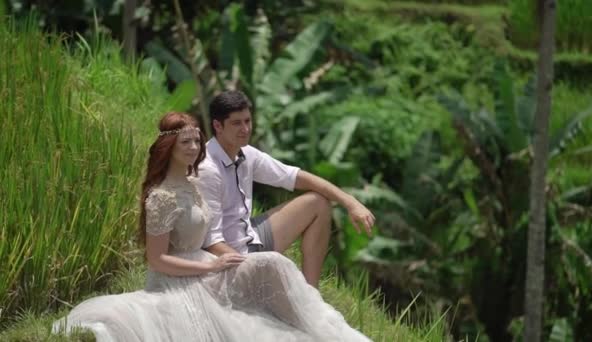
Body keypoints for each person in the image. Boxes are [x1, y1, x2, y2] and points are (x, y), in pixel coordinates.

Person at [53, 112, 370, 341]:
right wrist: (213, 266)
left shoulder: (192, 183)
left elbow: (291, 176)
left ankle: (312, 309)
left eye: (195, 141)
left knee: (274, 266)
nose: (192, 147)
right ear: (169, 148)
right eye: (184, 143)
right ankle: (307, 313)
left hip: (208, 262)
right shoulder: (161, 197)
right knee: (264, 289)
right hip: (182, 278)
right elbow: (156, 259)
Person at [198, 90, 375, 287]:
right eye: (236, 123)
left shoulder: (246, 154)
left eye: (248, 121)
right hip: (230, 255)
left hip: (251, 235)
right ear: (217, 125)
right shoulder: (207, 169)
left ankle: (311, 293)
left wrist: (350, 202)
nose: (245, 129)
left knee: (318, 203)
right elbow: (211, 242)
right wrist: (255, 268)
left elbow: (294, 177)